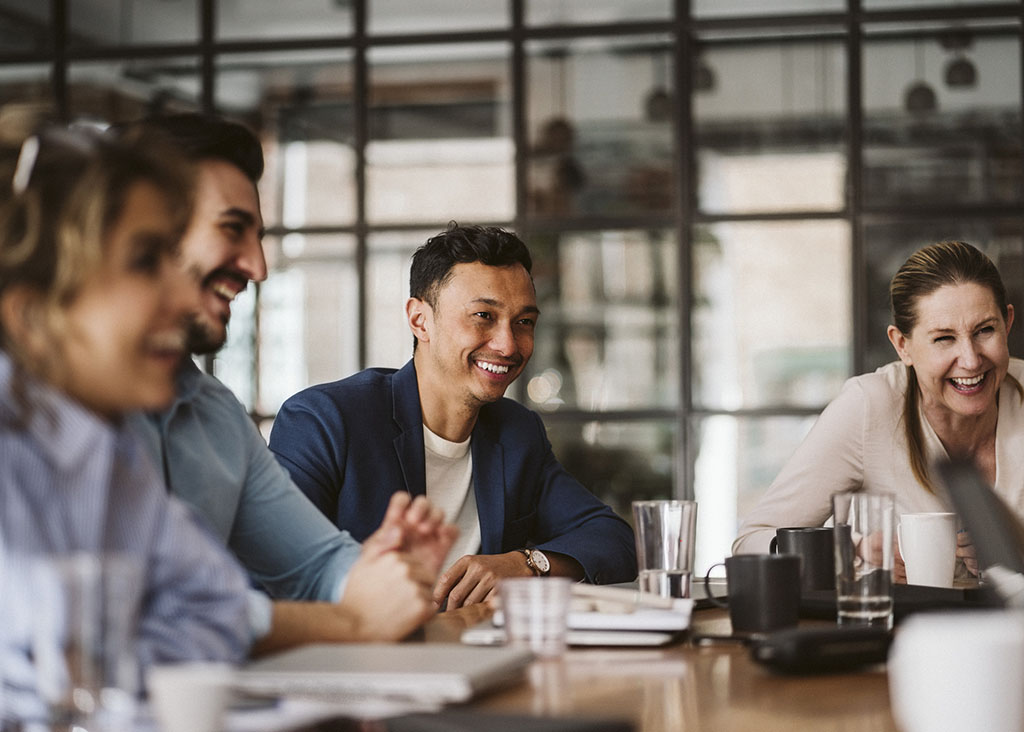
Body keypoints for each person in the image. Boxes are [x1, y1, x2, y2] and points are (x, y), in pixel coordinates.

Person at [118, 113, 456, 649]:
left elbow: (315, 564)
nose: (258, 266)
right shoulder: (38, 406)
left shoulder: (216, 414)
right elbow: (140, 613)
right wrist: (355, 622)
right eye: (232, 228)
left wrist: (379, 575)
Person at [0, 126, 250, 715]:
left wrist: (107, 670)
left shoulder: (105, 445)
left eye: (172, 255)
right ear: (33, 316)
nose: (186, 300)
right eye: (144, 262)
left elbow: (221, 609)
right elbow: (38, 676)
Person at [270, 223, 637, 609]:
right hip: (363, 658)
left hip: (485, 655)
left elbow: (612, 539)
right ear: (419, 320)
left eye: (524, 322)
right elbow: (281, 572)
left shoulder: (516, 433)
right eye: (483, 315)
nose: (508, 345)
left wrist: (526, 565)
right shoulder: (324, 421)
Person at [733, 240, 1021, 580]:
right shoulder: (870, 407)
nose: (971, 360)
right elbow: (750, 542)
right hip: (898, 631)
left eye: (985, 330)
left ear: (1008, 323)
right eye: (944, 338)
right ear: (903, 345)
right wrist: (850, 551)